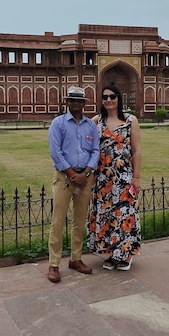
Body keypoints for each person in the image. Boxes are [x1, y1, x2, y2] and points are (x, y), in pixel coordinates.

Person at [47, 86, 100, 283]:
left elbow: (95, 150)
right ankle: (53, 264)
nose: (76, 104)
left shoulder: (90, 126)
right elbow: (55, 151)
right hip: (64, 177)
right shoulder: (58, 123)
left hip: (85, 177)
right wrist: (71, 173)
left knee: (80, 221)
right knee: (58, 222)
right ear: (67, 102)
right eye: (72, 100)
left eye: (79, 101)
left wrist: (86, 172)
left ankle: (75, 259)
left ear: (84, 103)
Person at [87, 83, 142, 271]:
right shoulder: (96, 121)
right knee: (107, 215)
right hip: (102, 178)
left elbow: (136, 149)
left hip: (124, 176)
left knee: (124, 214)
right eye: (105, 97)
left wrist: (136, 177)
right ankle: (111, 254)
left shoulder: (130, 120)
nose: (108, 100)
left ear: (119, 98)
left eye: (112, 96)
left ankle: (125, 254)